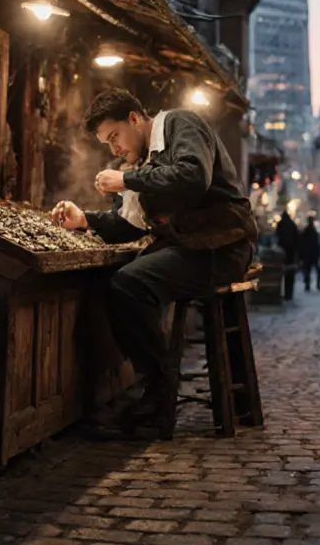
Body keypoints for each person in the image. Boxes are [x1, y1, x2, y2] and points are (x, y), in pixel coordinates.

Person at [50, 89, 257, 434]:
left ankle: (158, 394)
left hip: (224, 247)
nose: (114, 149)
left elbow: (193, 177)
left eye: (114, 137)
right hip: (194, 247)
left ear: (135, 118)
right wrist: (85, 219)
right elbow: (130, 224)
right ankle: (144, 388)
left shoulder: (179, 124)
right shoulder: (143, 163)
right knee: (118, 279)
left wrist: (126, 179)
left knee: (131, 282)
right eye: (107, 144)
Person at [275, 211, 299, 300]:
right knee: (290, 274)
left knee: (280, 272)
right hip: (291, 253)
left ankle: (280, 292)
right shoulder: (292, 225)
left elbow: (277, 235)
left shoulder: (280, 224)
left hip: (281, 252)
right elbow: (297, 238)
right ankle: (289, 294)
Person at [298, 215, 320, 292]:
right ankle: (316, 285)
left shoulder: (307, 231)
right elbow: (316, 243)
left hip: (309, 254)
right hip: (312, 253)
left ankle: (308, 285)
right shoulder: (312, 231)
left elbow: (302, 243)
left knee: (308, 270)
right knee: (316, 270)